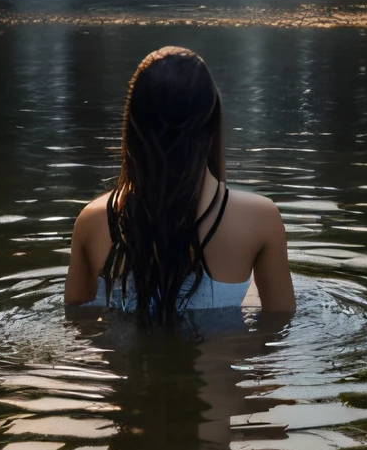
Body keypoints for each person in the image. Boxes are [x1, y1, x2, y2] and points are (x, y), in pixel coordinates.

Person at [64, 46, 295, 321]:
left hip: (125, 363)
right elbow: (279, 325)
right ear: (212, 122)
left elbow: (77, 323)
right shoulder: (259, 218)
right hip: (221, 358)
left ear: (133, 125)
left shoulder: (94, 219)